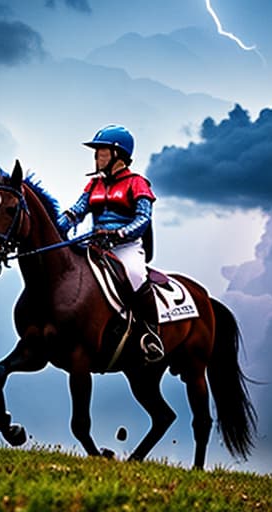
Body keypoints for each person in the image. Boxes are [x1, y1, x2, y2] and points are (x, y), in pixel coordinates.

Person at [57, 124, 164, 362]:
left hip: (126, 246)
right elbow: (76, 212)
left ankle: (150, 334)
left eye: (102, 151)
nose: (96, 156)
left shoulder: (137, 183)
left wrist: (120, 234)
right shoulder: (93, 184)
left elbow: (143, 219)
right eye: (96, 152)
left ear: (118, 155)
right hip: (96, 244)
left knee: (136, 275)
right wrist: (55, 227)